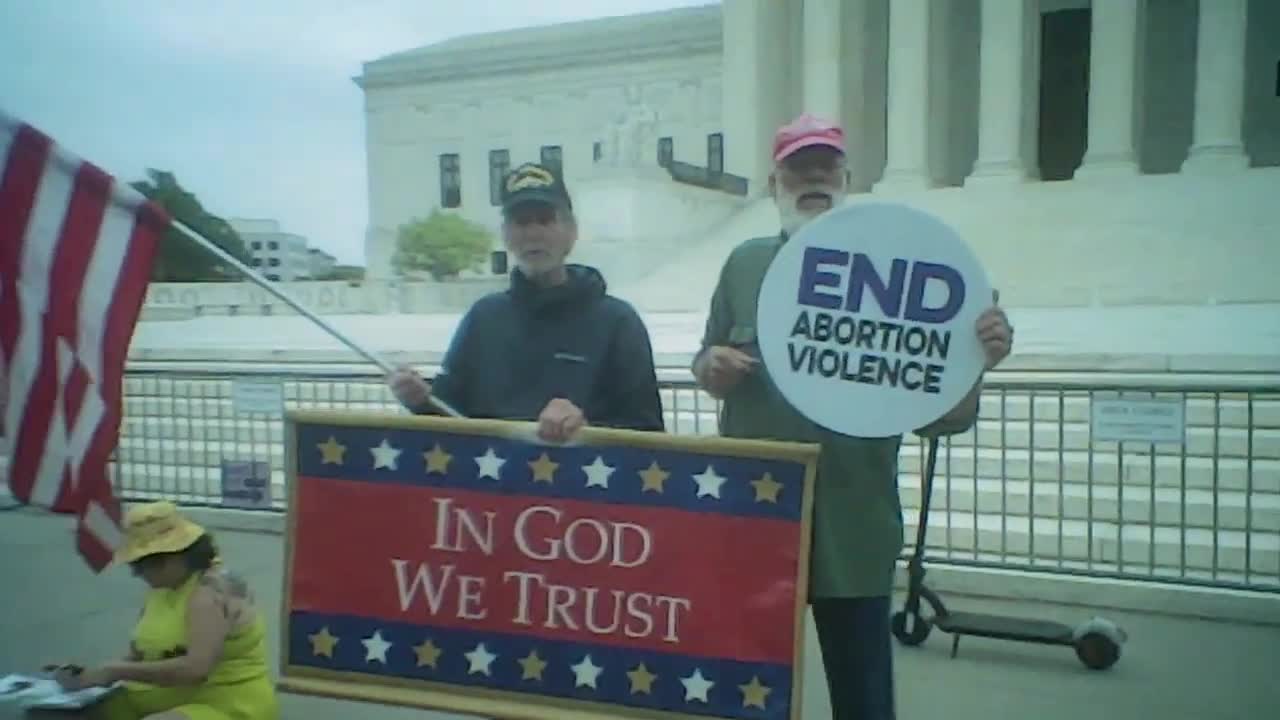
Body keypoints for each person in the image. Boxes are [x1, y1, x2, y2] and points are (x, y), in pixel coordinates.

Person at [691, 114, 1013, 720]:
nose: (813, 175)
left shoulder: (903, 264)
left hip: (856, 528)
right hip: (756, 523)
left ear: (846, 177)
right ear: (774, 182)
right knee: (741, 697)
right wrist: (713, 366)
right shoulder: (743, 264)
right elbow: (704, 366)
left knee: (864, 702)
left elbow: (945, 419)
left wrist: (976, 360)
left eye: (826, 164)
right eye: (797, 166)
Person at [388, 161, 665, 440]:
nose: (533, 233)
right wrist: (419, 401)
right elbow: (449, 421)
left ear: (571, 231)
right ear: (506, 235)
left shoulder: (618, 322)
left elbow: (650, 435)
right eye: (521, 222)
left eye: (545, 219)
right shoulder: (483, 318)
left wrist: (586, 427)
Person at [49, 501, 280, 720]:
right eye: (135, 565)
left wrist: (115, 671)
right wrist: (90, 675)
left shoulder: (209, 593)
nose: (138, 573)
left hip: (225, 700)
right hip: (163, 694)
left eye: (145, 565)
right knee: (69, 713)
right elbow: (139, 655)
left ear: (178, 556)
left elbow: (195, 669)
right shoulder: (161, 588)